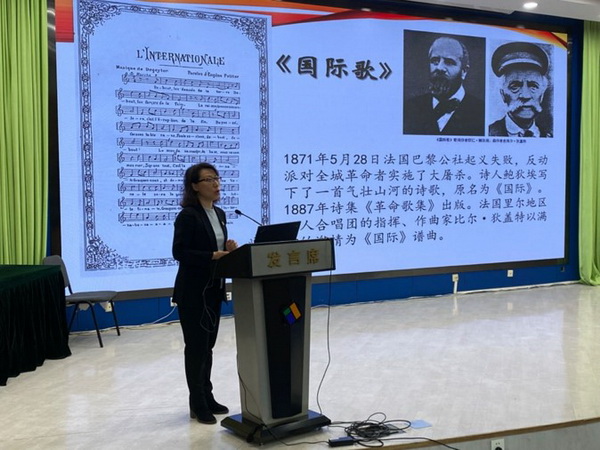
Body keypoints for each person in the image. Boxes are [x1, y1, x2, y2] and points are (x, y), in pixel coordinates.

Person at [172, 162, 238, 424]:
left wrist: (229, 251)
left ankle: (207, 396)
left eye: (217, 178)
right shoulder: (188, 216)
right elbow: (180, 252)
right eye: (209, 179)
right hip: (193, 292)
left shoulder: (219, 213)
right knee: (196, 348)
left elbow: (217, 250)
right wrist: (212, 255)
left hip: (213, 290)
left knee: (208, 347)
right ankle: (197, 403)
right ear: (195, 186)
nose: (216, 183)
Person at [404, 36, 484, 136]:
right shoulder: (409, 108)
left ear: (464, 71)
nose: (439, 67)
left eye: (449, 62)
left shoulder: (481, 112)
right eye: (435, 61)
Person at [488, 42, 552, 137]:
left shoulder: (548, 136)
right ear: (503, 94)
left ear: (542, 94)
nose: (525, 96)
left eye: (533, 86)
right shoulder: (489, 133)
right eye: (515, 87)